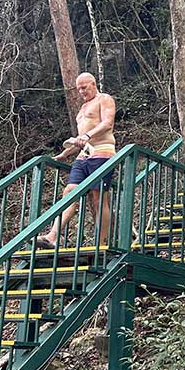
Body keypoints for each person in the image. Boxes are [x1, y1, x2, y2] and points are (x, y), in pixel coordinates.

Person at [38, 73, 117, 249]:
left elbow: (107, 123)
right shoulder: (82, 109)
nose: (81, 91)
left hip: (102, 152)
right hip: (83, 155)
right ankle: (53, 236)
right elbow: (80, 140)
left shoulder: (104, 99)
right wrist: (64, 154)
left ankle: (102, 243)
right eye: (79, 88)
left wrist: (87, 135)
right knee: (70, 192)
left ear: (93, 84)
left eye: (84, 87)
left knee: (98, 198)